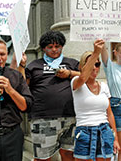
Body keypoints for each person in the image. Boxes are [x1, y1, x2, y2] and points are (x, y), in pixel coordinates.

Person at [25, 30, 80, 161]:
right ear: (44, 48)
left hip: (70, 117)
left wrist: (69, 73)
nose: (54, 50)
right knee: (43, 158)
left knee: (69, 154)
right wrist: (20, 65)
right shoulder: (33, 66)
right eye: (50, 47)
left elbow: (87, 77)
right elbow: (22, 86)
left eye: (57, 46)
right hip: (43, 118)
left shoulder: (72, 63)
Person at [71, 39, 120, 160]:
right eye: (90, 64)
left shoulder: (104, 86)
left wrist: (115, 138)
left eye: (97, 64)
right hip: (84, 132)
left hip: (104, 131)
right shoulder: (76, 83)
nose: (94, 68)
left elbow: (109, 114)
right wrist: (96, 53)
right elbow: (82, 78)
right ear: (82, 66)